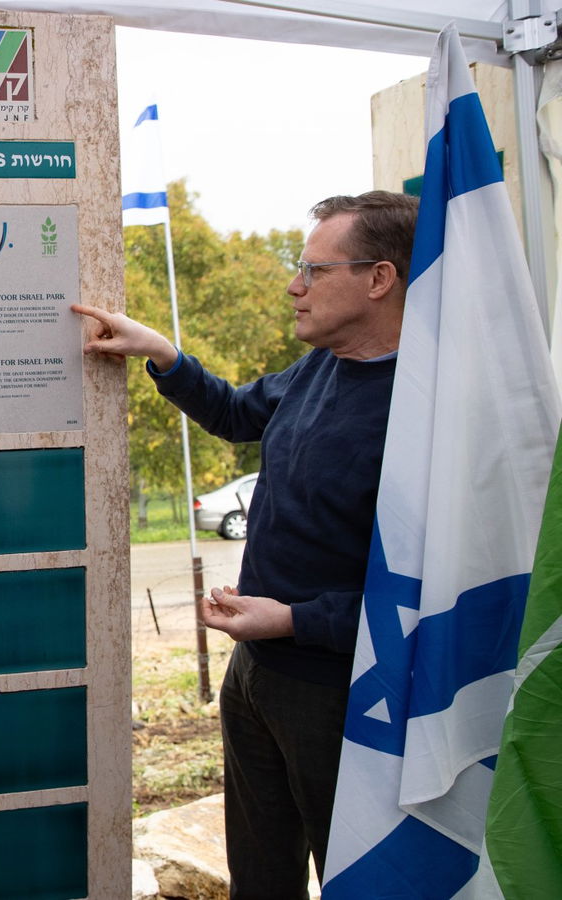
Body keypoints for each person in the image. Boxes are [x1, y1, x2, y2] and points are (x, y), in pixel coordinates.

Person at [74, 191, 417, 898]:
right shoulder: (322, 366)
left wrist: (293, 619)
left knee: (358, 878)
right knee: (259, 876)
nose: (295, 286)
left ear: (379, 279)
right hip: (256, 677)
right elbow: (236, 413)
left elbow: (427, 595)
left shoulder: (422, 409)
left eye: (314, 271)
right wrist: (162, 353)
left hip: (341, 698)